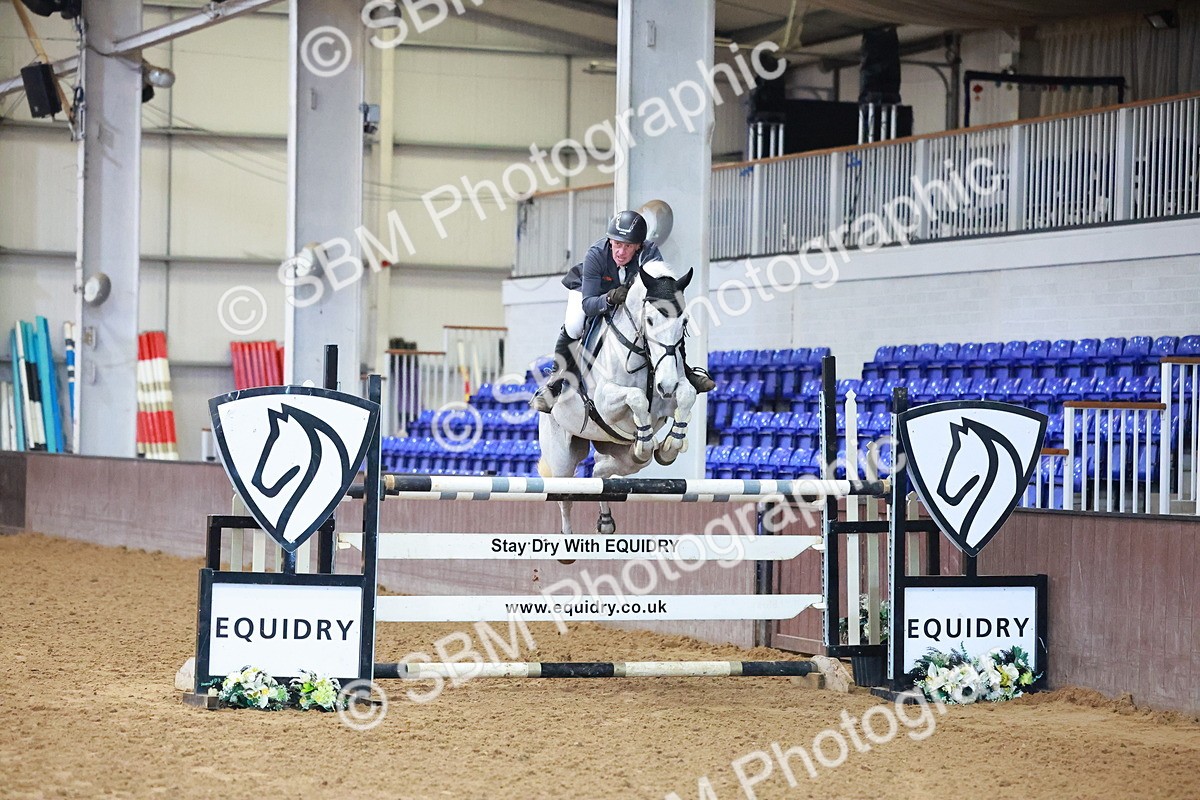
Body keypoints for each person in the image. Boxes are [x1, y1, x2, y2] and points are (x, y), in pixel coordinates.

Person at [531, 209, 715, 413]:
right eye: (617, 244)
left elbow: (660, 291)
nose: (621, 252)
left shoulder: (649, 253)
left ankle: (685, 372)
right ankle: (554, 384)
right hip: (590, 292)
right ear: (610, 241)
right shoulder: (596, 254)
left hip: (628, 297)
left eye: (628, 246)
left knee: (667, 323)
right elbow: (589, 305)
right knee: (574, 325)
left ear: (638, 246)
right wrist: (609, 298)